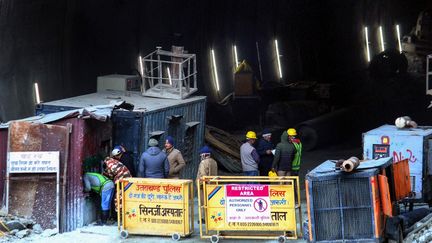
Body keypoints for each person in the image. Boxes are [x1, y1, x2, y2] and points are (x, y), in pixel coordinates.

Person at [196, 145, 218, 224]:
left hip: (203, 185)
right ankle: (211, 218)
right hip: (212, 186)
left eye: (201, 154)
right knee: (210, 202)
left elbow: (203, 174)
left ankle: (203, 218)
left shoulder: (203, 162)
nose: (200, 156)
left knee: (202, 203)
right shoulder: (214, 162)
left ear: (205, 155)